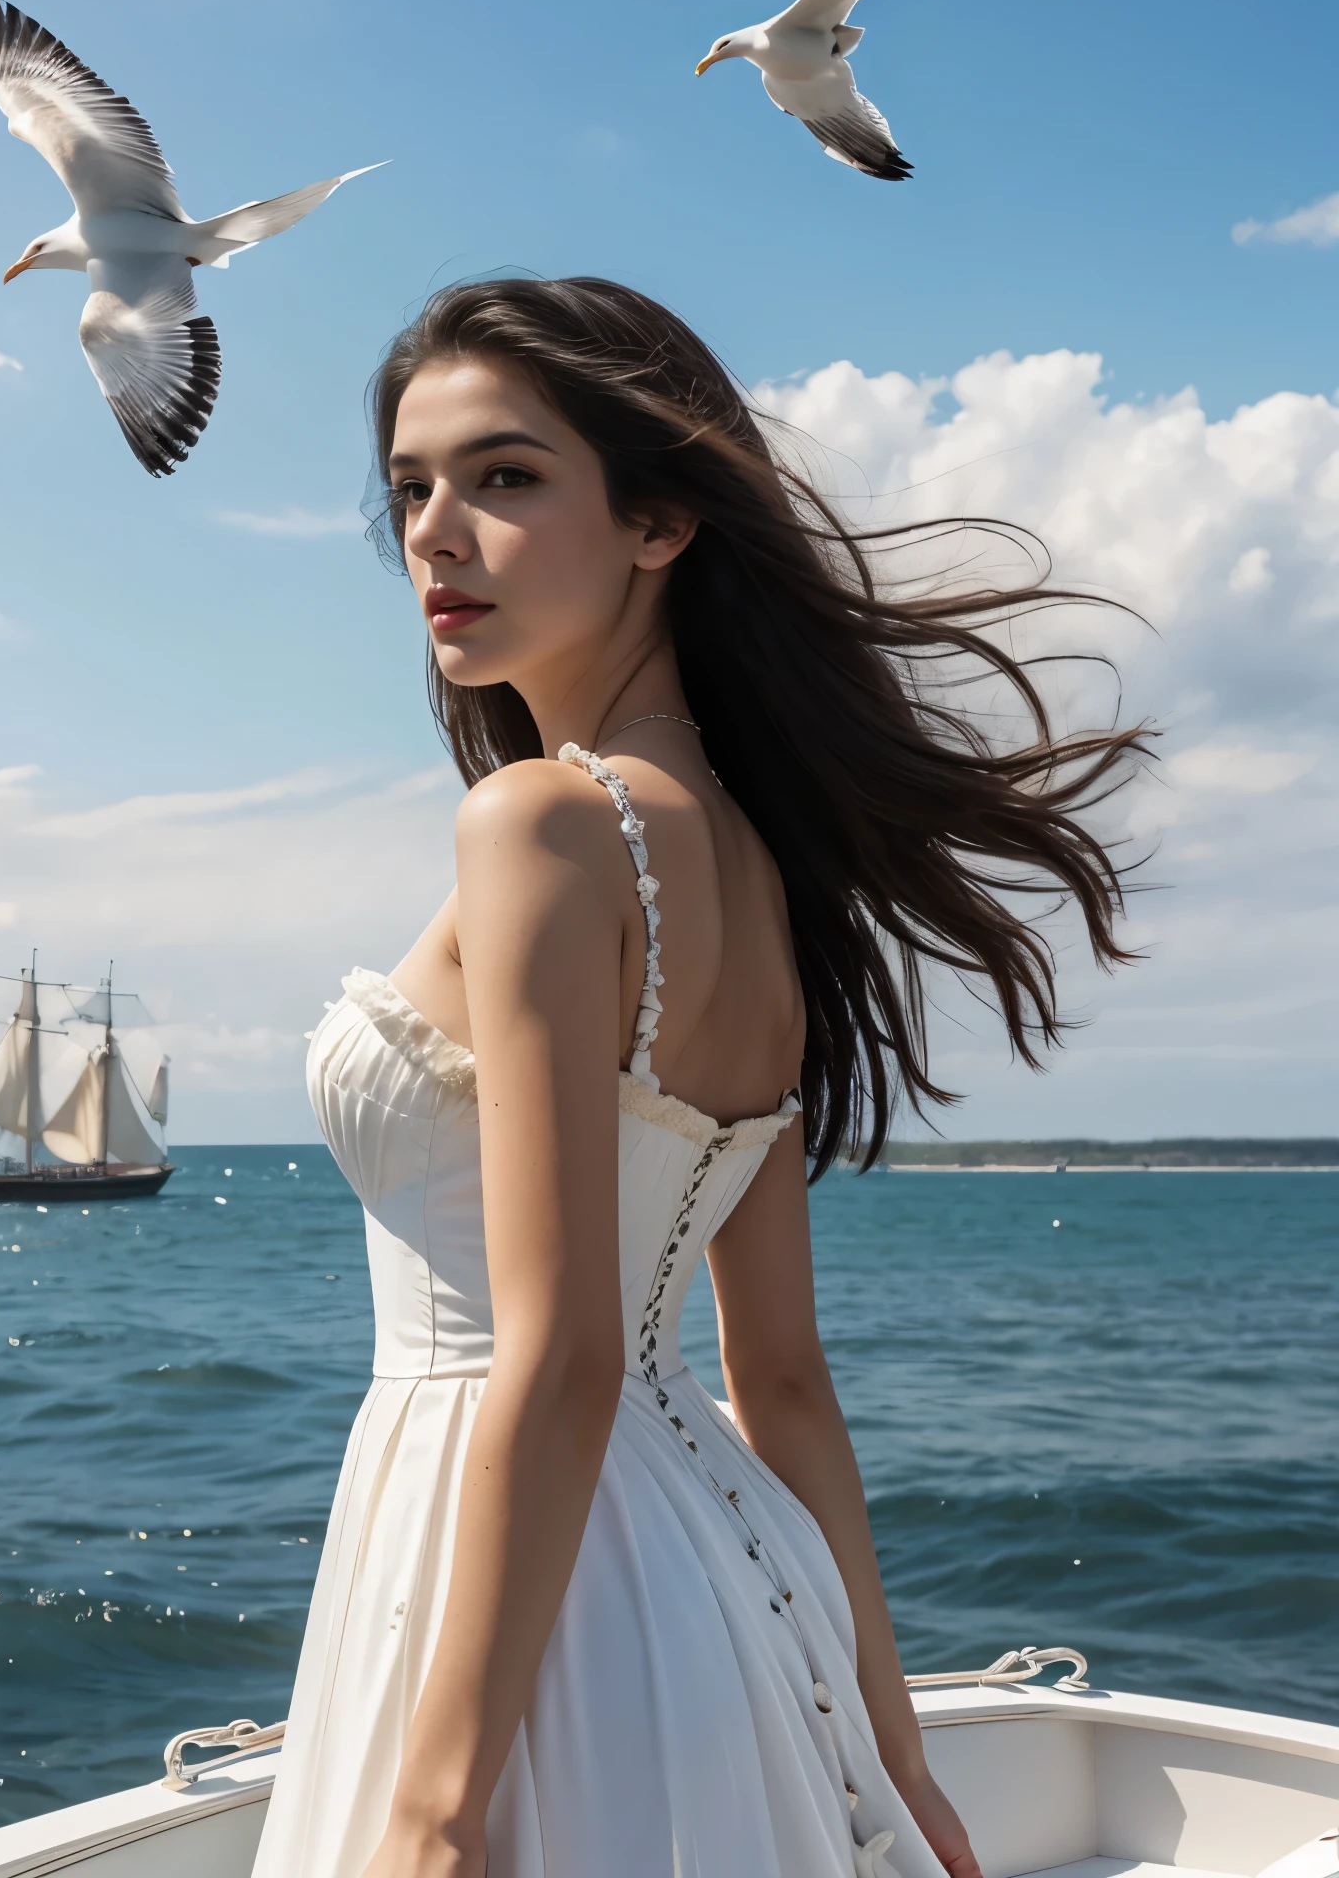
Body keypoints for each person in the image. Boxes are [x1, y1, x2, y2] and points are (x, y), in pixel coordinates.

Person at [251, 278, 1142, 1878]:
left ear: (660, 521)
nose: (436, 534)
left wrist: (439, 1810)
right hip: (722, 1594)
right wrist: (890, 1749)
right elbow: (782, 1384)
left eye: (506, 477)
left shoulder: (539, 829)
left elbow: (567, 1352)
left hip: (525, 1589)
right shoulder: (765, 876)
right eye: (411, 488)